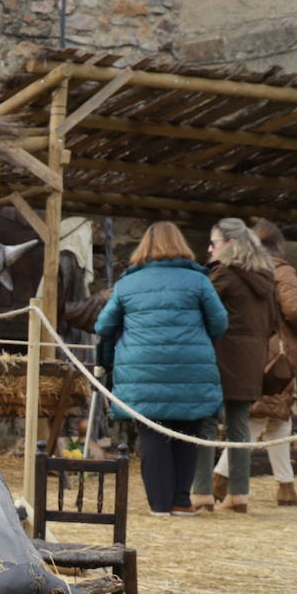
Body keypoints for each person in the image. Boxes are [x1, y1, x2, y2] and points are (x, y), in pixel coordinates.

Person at [95, 222, 228, 517]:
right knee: (187, 430)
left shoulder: (128, 284)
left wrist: (104, 362)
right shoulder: (199, 281)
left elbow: (104, 326)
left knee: (153, 433)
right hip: (191, 368)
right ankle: (181, 500)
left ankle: (159, 505)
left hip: (142, 371)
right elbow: (220, 323)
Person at [214, 219, 297, 507]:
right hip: (276, 354)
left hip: (251, 350)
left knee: (278, 418)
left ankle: (286, 486)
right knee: (255, 420)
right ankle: (219, 480)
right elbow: (293, 308)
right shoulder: (280, 269)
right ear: (278, 246)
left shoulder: (245, 270)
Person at [189, 218, 277, 513]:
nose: (209, 249)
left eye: (213, 243)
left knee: (205, 421)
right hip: (252, 358)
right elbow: (274, 324)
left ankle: (201, 493)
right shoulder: (266, 277)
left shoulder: (223, 274)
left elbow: (200, 310)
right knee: (239, 425)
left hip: (219, 355)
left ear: (230, 244)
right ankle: (239, 494)